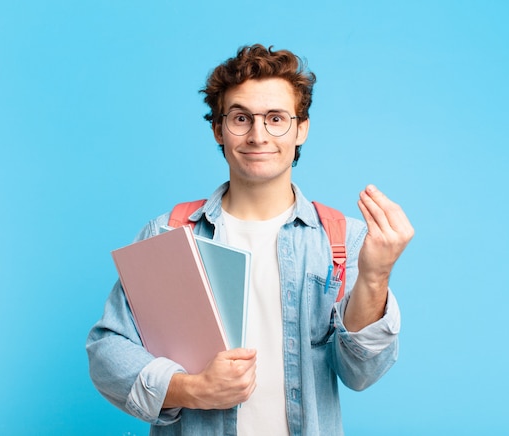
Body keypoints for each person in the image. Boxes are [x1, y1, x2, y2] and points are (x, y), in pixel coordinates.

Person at [86, 44, 414, 435]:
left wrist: (375, 277)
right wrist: (192, 389)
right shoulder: (169, 234)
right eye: (241, 118)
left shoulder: (342, 239)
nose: (258, 135)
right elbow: (107, 352)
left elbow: (360, 373)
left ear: (301, 128)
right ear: (218, 129)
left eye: (276, 118)